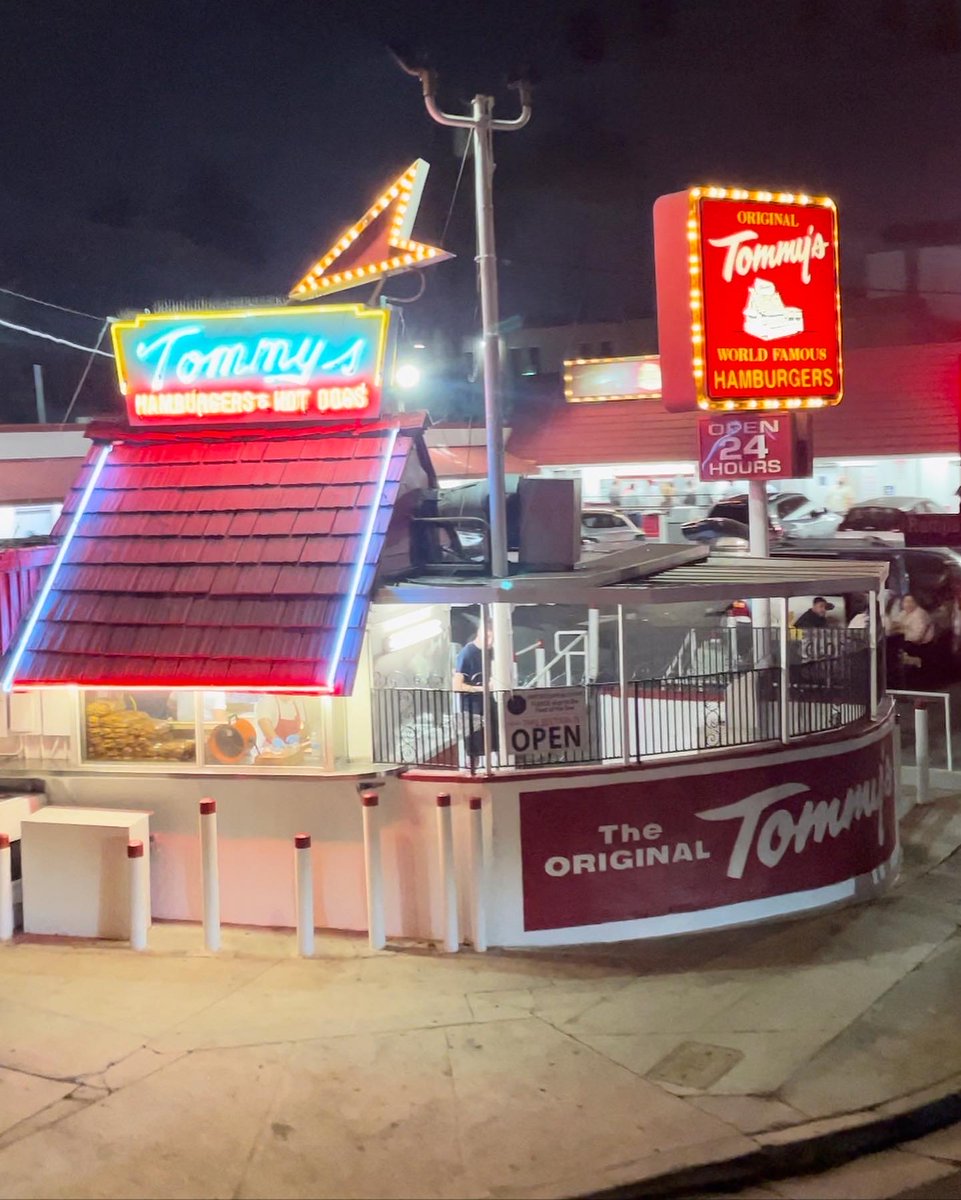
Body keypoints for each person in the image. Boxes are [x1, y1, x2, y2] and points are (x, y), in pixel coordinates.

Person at [452, 624, 496, 763]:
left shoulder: (491, 651)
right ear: (480, 634)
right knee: (473, 751)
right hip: (470, 709)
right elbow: (457, 685)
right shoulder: (467, 653)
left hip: (487, 706)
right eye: (489, 637)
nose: (491, 642)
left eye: (493, 638)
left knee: (492, 745)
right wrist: (483, 689)